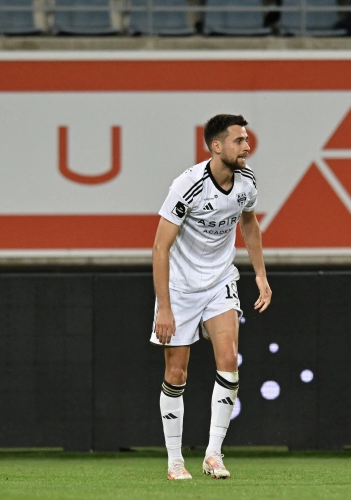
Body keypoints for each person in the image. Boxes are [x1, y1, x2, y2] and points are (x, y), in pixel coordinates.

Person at [151, 114, 272, 481]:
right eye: (238, 140)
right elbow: (160, 247)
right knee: (176, 372)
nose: (246, 146)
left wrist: (261, 275)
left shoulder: (246, 182)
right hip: (180, 287)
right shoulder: (187, 185)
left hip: (220, 281)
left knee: (228, 362)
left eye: (247, 140)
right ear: (216, 146)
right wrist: (166, 307)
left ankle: (213, 455)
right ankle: (175, 461)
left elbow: (248, 223)